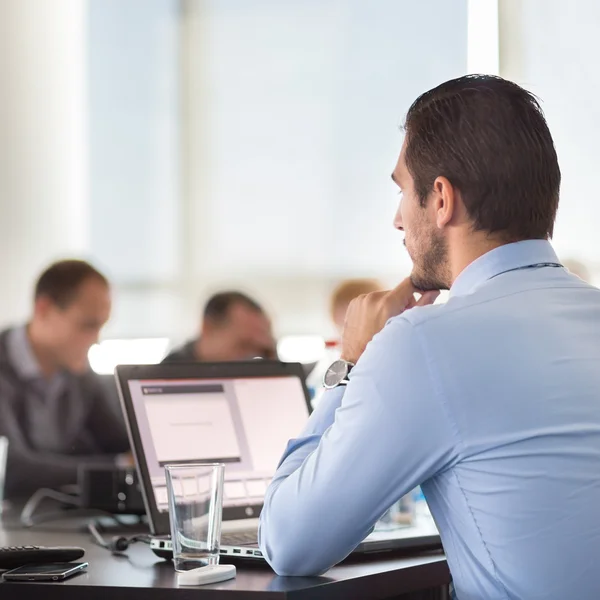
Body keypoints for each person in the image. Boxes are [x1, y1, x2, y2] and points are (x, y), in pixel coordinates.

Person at [258, 75, 600, 599]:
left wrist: (351, 365)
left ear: (441, 198)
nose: (398, 219)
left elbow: (290, 542)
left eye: (402, 190)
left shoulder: (424, 344)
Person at [0, 260, 130, 499]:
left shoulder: (77, 370)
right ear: (44, 309)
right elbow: (11, 468)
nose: (95, 340)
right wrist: (120, 466)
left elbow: (119, 441)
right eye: (88, 325)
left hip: (56, 516)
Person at [163, 291, 277, 363]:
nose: (253, 356)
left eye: (262, 351)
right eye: (244, 345)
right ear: (207, 328)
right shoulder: (164, 379)